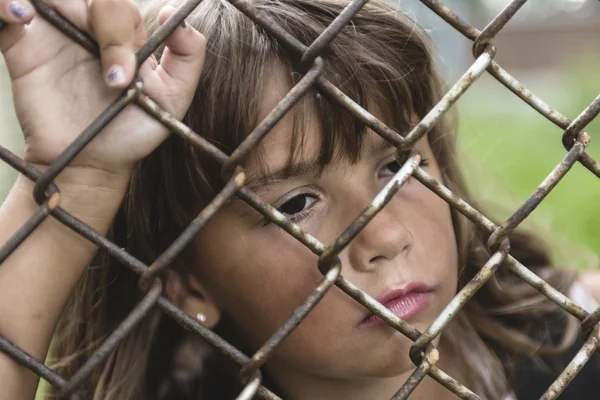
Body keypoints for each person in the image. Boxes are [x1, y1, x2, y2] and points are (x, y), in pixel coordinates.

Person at [0, 0, 599, 399]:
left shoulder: (576, 347)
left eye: (396, 165)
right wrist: (77, 182)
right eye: (294, 206)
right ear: (186, 282)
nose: (386, 237)